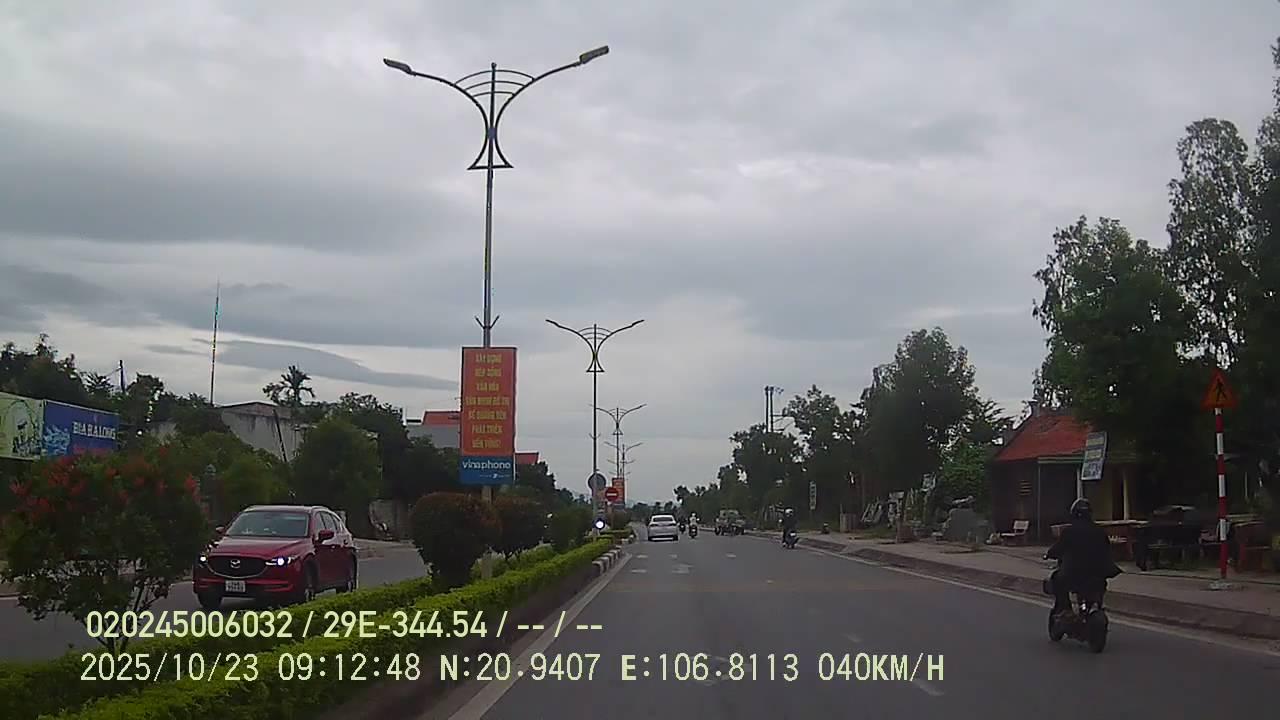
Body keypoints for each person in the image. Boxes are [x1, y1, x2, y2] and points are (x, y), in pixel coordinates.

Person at [1045, 498, 1120, 615]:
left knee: (1057, 580)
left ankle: (1065, 608)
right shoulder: (1099, 531)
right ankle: (1097, 605)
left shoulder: (1069, 531)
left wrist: (1049, 554)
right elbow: (1107, 550)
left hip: (1073, 574)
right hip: (1097, 574)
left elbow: (1058, 548)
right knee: (1099, 586)